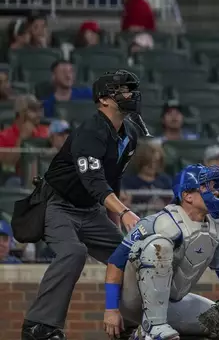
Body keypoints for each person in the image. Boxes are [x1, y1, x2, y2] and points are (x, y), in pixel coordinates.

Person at [20, 70, 143, 340]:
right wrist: (123, 211)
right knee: (73, 253)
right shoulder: (90, 130)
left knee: (132, 255)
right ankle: (39, 327)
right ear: (104, 100)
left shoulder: (130, 134)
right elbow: (95, 182)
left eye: (129, 89)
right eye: (121, 90)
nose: (129, 94)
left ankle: (131, 325)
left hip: (91, 210)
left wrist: (115, 221)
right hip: (59, 204)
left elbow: (113, 181)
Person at [102, 164, 219, 340]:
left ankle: (143, 333)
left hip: (172, 301)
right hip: (134, 300)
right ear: (187, 195)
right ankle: (152, 327)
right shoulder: (157, 222)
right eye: (206, 186)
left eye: (215, 187)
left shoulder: (217, 227)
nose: (216, 192)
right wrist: (111, 309)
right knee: (158, 246)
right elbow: (115, 262)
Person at [0, 95, 48, 169]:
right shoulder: (3, 137)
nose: (39, 114)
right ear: (20, 113)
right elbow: (7, 166)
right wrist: (21, 139)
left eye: (40, 110)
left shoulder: (45, 132)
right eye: (34, 110)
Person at [121, 141, 173, 205]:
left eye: (156, 162)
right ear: (141, 162)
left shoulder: (165, 181)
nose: (153, 166)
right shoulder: (128, 182)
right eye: (149, 163)